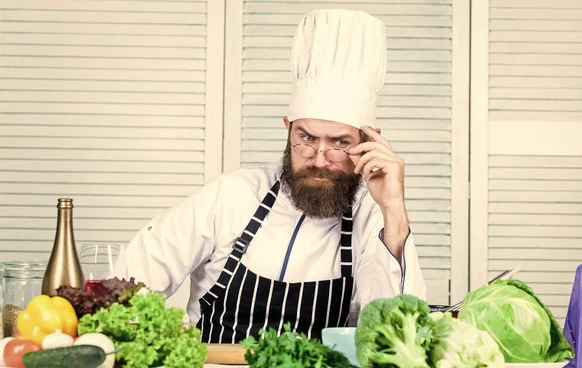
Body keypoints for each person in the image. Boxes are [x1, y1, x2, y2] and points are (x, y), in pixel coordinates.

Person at [112, 9, 426, 343]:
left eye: (339, 143)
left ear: (368, 142)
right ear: (287, 129)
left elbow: (398, 333)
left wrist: (393, 209)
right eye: (306, 138)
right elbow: (138, 274)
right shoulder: (232, 195)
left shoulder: (372, 217)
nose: (320, 160)